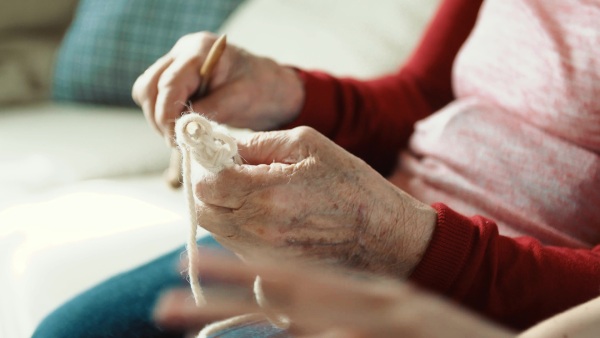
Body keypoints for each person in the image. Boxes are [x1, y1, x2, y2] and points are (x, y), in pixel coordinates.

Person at [33, 0, 600, 336]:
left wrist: (398, 236)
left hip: (492, 294)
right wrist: (283, 90)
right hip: (365, 235)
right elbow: (423, 92)